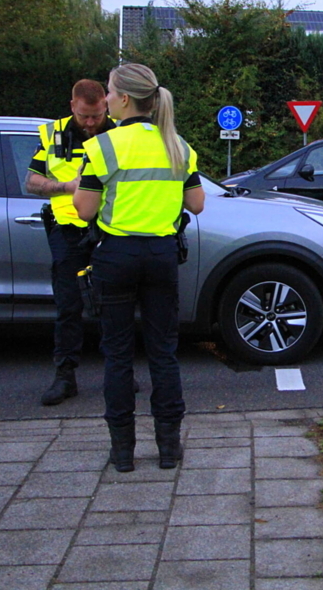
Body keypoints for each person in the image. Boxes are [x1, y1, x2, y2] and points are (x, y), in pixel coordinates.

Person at [73, 63, 204, 473]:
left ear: (125, 99)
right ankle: (168, 448)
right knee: (163, 351)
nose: (106, 99)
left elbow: (84, 208)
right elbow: (197, 203)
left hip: (116, 255)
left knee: (117, 355)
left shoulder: (103, 147)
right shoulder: (177, 144)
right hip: (162, 254)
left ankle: (124, 452)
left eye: (110, 92)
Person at [27, 79, 116, 406]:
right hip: (67, 229)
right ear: (72, 107)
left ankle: (119, 373)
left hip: (108, 227)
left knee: (113, 302)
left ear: (106, 105)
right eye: (84, 117)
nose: (91, 123)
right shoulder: (53, 134)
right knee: (68, 305)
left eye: (96, 116)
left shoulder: (119, 133)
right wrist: (68, 185)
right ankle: (65, 376)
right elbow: (31, 181)